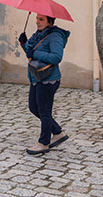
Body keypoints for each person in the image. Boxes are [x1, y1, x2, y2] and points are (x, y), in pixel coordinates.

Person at [20, 13, 70, 155]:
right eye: (37, 18)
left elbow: (56, 57)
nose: (37, 21)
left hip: (48, 79)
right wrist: (24, 44)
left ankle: (44, 143)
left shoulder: (55, 36)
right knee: (33, 107)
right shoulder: (39, 35)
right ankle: (58, 132)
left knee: (44, 111)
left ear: (50, 21)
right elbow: (31, 54)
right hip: (37, 78)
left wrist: (34, 53)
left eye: (41, 19)